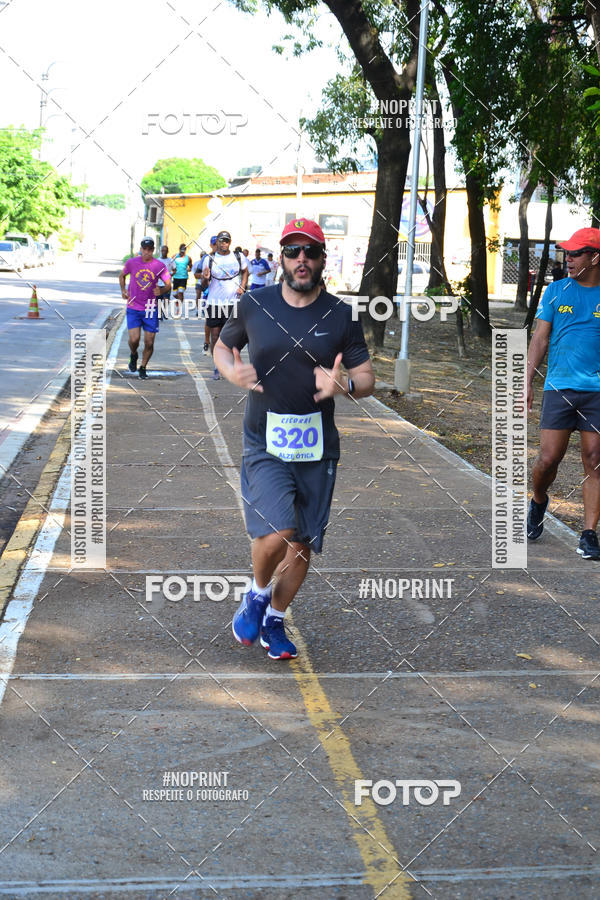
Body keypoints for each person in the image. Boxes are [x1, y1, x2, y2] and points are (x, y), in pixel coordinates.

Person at [214, 218, 375, 659]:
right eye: (292, 251)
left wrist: (344, 386)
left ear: (324, 260)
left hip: (317, 447)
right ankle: (257, 593)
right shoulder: (255, 304)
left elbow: (366, 376)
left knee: (302, 544)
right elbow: (223, 347)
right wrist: (232, 371)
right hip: (265, 439)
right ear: (281, 258)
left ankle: (275, 621)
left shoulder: (342, 315)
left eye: (310, 252)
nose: (301, 259)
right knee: (278, 528)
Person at [527, 227, 600, 559]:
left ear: (595, 257)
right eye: (566, 254)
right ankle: (539, 499)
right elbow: (540, 339)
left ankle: (588, 535)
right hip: (560, 387)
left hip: (597, 393)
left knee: (595, 461)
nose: (567, 259)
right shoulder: (556, 291)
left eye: (575, 254)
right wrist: (527, 381)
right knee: (548, 459)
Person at [119, 237, 171, 379]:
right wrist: (123, 290)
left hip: (150, 308)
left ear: (153, 250)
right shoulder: (131, 262)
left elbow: (168, 284)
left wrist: (162, 291)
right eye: (144, 249)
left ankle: (143, 367)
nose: (147, 252)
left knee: (149, 342)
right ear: (141, 249)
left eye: (150, 249)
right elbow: (122, 275)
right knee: (134, 340)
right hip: (133, 306)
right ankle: (133, 354)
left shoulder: (159, 265)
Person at [201, 231, 248, 379]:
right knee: (215, 334)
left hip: (233, 302)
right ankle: (217, 364)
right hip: (214, 302)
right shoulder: (209, 259)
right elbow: (204, 284)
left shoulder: (238, 257)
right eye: (221, 241)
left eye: (226, 241)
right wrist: (205, 278)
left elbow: (245, 271)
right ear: (217, 243)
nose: (224, 244)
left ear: (230, 242)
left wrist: (243, 285)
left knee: (231, 335)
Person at [171, 243, 192, 313]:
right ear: (179, 249)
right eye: (181, 249)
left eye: (184, 250)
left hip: (183, 278)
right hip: (175, 277)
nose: (182, 251)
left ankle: (178, 309)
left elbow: (191, 266)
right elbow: (170, 264)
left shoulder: (188, 258)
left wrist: (189, 269)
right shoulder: (174, 256)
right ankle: (179, 300)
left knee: (180, 292)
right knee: (174, 294)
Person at [157, 244, 172, 318]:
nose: (164, 252)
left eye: (165, 251)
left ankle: (164, 311)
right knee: (159, 300)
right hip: (159, 284)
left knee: (166, 299)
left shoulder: (171, 260)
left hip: (167, 284)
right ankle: (160, 313)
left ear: (167, 252)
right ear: (161, 251)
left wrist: (169, 275)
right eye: (163, 251)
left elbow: (175, 270)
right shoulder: (157, 260)